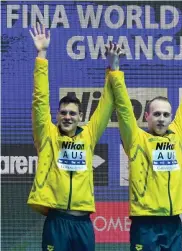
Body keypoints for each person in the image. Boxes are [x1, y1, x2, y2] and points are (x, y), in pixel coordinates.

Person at [107, 42, 182, 250]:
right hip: (145, 222)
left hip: (173, 221)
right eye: (156, 114)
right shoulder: (136, 139)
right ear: (147, 116)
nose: (161, 119)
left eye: (165, 115)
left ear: (171, 117)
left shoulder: (176, 135)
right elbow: (124, 109)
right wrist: (115, 71)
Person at [27, 23, 115, 251]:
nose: (67, 117)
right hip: (56, 220)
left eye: (72, 113)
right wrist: (42, 55)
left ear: (79, 117)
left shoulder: (88, 136)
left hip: (83, 222)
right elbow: (40, 100)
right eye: (63, 112)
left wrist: (112, 69)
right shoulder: (47, 134)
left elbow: (106, 105)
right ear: (57, 115)